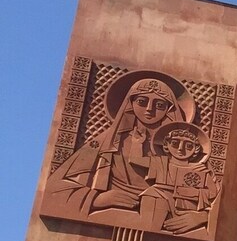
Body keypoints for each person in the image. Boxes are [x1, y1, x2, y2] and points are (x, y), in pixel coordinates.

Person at [44, 76, 188, 216]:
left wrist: (197, 217)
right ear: (131, 103)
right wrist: (97, 199)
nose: (150, 109)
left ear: (169, 110)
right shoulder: (107, 143)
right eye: (142, 101)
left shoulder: (178, 149)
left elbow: (193, 192)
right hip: (108, 216)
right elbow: (52, 192)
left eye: (160, 105)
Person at [133, 122, 218, 235]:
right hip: (158, 201)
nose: (180, 149)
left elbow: (213, 192)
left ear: (196, 149)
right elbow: (134, 160)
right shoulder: (160, 163)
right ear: (166, 145)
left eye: (188, 146)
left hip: (186, 208)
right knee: (152, 196)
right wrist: (137, 143)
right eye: (174, 143)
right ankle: (146, 236)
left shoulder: (199, 169)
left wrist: (194, 193)